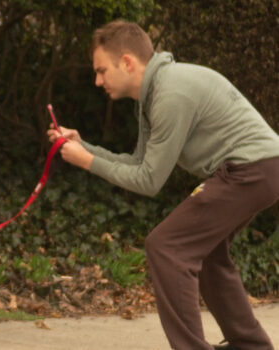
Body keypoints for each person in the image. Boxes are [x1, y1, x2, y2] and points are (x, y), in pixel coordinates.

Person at [47, 20, 279, 350]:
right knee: (209, 254)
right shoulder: (155, 92)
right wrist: (85, 149)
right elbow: (139, 162)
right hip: (261, 169)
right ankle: (252, 346)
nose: (97, 81)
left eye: (101, 70)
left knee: (166, 247)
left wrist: (86, 161)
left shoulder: (171, 93)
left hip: (251, 170)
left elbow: (149, 181)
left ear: (127, 62)